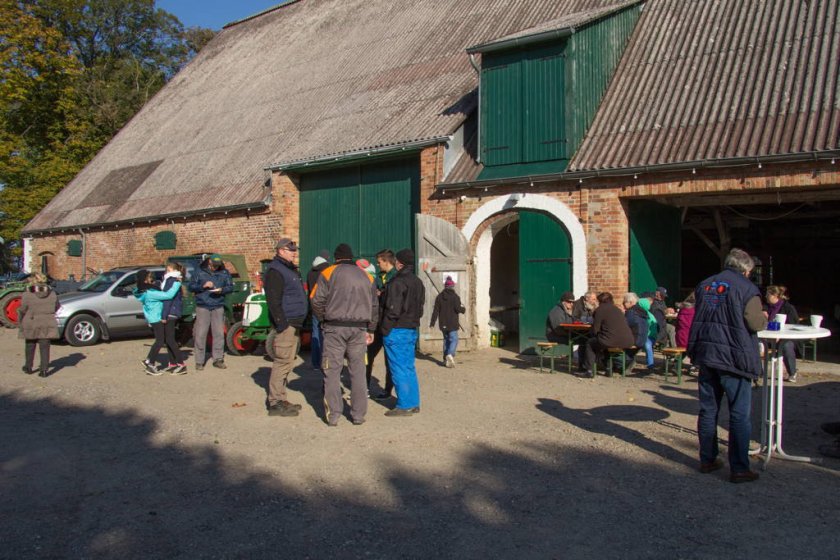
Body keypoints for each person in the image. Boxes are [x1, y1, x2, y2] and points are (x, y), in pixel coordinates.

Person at [688, 248, 767, 483]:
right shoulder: (747, 289)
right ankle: (740, 467)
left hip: (707, 351)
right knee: (739, 413)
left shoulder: (705, 285)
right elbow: (754, 322)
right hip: (734, 355)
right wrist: (764, 317)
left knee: (708, 409)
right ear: (746, 270)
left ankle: (707, 459)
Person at [311, 243, 378, 426]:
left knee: (332, 371)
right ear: (351, 257)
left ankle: (333, 415)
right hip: (359, 329)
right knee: (358, 371)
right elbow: (374, 305)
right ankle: (358, 415)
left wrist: (323, 319)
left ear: (336, 257)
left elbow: (316, 300)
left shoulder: (328, 273)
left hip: (334, 327)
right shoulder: (366, 276)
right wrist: (371, 329)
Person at [264, 238, 309, 417]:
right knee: (282, 361)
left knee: (288, 362)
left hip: (294, 322)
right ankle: (275, 402)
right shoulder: (276, 271)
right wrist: (282, 323)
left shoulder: (289, 269)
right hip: (287, 323)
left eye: (295, 250)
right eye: (291, 250)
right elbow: (273, 300)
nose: (294, 253)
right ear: (281, 251)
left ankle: (281, 398)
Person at [380, 248, 425, 417]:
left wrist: (385, 328)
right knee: (408, 367)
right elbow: (420, 308)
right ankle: (413, 403)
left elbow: (393, 309)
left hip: (396, 329)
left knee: (398, 368)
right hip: (411, 328)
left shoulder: (397, 282)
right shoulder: (418, 282)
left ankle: (405, 405)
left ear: (399, 263)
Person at [189, 254, 233, 370]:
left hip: (218, 305)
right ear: (209, 262)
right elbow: (191, 286)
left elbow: (230, 287)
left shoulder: (224, 272)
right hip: (203, 305)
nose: (216, 267)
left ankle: (218, 359)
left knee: (218, 333)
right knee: (200, 334)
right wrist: (203, 286)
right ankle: (199, 361)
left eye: (218, 265)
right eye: (214, 265)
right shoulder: (199, 271)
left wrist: (222, 290)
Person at [134, 270, 182, 375]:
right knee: (160, 341)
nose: (151, 279)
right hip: (156, 318)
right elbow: (168, 295)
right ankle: (150, 363)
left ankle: (148, 361)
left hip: (153, 317)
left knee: (159, 340)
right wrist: (177, 283)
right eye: (149, 277)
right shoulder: (150, 292)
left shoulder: (143, 291)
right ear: (145, 280)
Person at [578, 292, 634, 377]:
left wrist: (594, 333)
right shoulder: (617, 309)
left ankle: (589, 370)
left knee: (590, 343)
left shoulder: (600, 310)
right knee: (605, 342)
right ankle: (608, 369)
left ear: (600, 301)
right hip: (628, 340)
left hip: (611, 340)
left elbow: (595, 330)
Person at [18, 272, 59, 377]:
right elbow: (57, 306)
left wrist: (20, 320)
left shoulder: (27, 294)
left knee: (30, 345)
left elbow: (22, 309)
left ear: (33, 281)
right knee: (45, 346)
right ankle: (44, 370)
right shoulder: (52, 293)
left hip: (31, 321)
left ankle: (28, 367)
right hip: (47, 321)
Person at [369, 249, 397, 399]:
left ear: (386, 261)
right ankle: (364, 388)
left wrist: (383, 294)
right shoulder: (378, 277)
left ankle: (387, 390)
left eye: (379, 262)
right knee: (367, 356)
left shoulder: (396, 277)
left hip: (389, 325)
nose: (377, 265)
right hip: (376, 323)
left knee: (389, 360)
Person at [764, 285, 799, 382]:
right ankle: (758, 371)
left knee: (787, 346)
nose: (766, 296)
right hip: (767, 335)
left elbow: (793, 325)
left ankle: (792, 372)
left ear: (775, 295)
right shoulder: (765, 307)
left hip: (785, 337)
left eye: (768, 294)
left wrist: (781, 335)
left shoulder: (788, 308)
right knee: (753, 342)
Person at [430, 276, 465, 367]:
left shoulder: (439, 297)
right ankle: (450, 354)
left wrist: (432, 323)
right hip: (452, 323)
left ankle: (445, 360)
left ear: (445, 286)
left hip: (443, 324)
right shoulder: (455, 297)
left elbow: (435, 311)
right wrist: (463, 309)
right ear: (452, 286)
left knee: (446, 340)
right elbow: (458, 309)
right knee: (454, 339)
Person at [159, 262, 187, 374]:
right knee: (168, 339)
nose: (165, 271)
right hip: (172, 311)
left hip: (171, 312)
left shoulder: (170, 280)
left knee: (170, 339)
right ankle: (172, 363)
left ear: (170, 269)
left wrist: (164, 315)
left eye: (167, 269)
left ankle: (181, 364)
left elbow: (168, 298)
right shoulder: (174, 279)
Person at [305, 250, 330, 370]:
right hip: (326, 307)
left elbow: (310, 291)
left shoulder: (310, 272)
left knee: (315, 333)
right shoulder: (328, 270)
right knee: (328, 335)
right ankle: (326, 362)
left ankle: (315, 362)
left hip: (314, 306)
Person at [622, 292, 648, 369]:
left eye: (624, 302)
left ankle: (624, 364)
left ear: (630, 302)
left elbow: (624, 326)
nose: (623, 304)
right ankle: (628, 362)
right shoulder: (641, 311)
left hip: (635, 340)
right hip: (642, 339)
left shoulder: (631, 312)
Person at [636, 297, 659, 371]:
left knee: (648, 345)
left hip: (649, 336)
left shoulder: (648, 315)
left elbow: (652, 330)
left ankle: (650, 364)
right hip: (644, 335)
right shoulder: (643, 314)